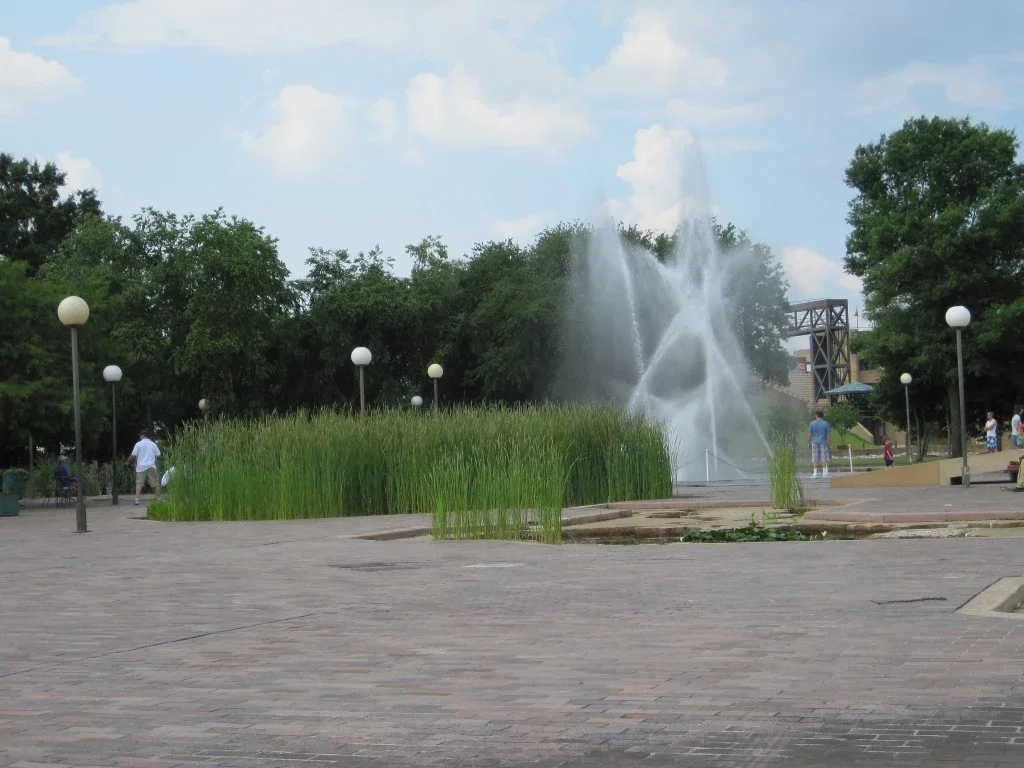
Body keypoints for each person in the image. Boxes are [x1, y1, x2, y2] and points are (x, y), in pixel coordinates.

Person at [125, 430, 161, 506]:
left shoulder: (138, 444)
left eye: (140, 436)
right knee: (155, 483)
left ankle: (137, 500)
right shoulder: (153, 444)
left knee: (139, 483)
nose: (139, 437)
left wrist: (127, 462)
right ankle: (158, 498)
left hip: (141, 467)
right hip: (151, 466)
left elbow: (133, 455)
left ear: (142, 436)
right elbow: (158, 454)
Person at [808, 410, 832, 479]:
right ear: (822, 416)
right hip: (823, 442)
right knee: (824, 458)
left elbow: (810, 434)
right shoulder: (826, 424)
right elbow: (828, 435)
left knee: (814, 458)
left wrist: (808, 443)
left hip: (815, 442)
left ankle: (815, 474)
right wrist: (829, 444)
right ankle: (824, 473)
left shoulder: (812, 423)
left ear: (816, 416)